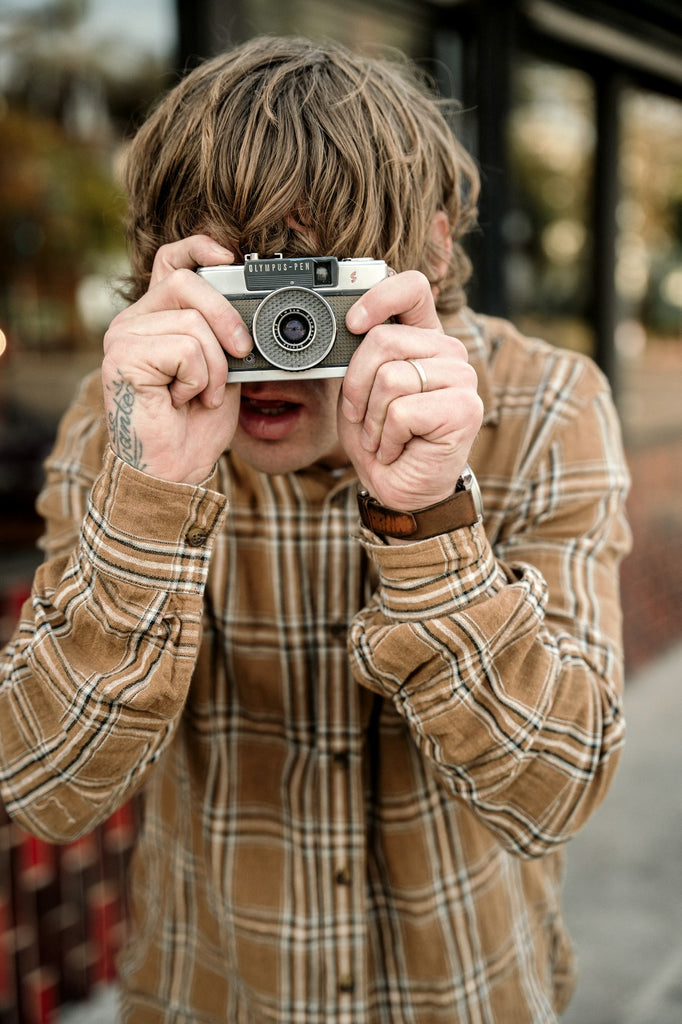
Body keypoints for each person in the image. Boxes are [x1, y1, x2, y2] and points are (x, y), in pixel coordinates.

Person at [0, 35, 631, 1024]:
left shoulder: (544, 401)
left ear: (426, 252)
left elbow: (555, 792)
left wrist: (429, 523)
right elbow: (43, 786)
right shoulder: (121, 414)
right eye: (237, 283)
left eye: (316, 282)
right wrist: (149, 498)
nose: (275, 336)